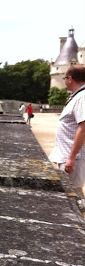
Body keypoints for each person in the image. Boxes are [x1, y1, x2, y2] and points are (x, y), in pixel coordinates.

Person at [49, 65, 85, 196]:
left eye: (64, 78)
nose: (64, 81)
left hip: (72, 157)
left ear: (70, 79)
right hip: (68, 155)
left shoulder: (82, 97)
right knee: (72, 193)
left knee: (74, 194)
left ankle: (80, 216)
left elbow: (83, 127)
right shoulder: (78, 96)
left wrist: (71, 158)